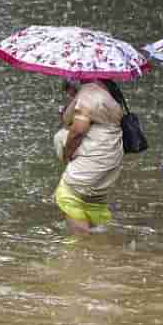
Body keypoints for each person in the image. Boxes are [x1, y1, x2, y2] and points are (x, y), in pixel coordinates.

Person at [53, 79, 125, 234]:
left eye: (70, 91)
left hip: (95, 157)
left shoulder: (88, 94)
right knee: (93, 203)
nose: (70, 95)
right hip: (111, 156)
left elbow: (77, 132)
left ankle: (81, 247)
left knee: (67, 195)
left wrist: (67, 154)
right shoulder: (108, 90)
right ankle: (101, 246)